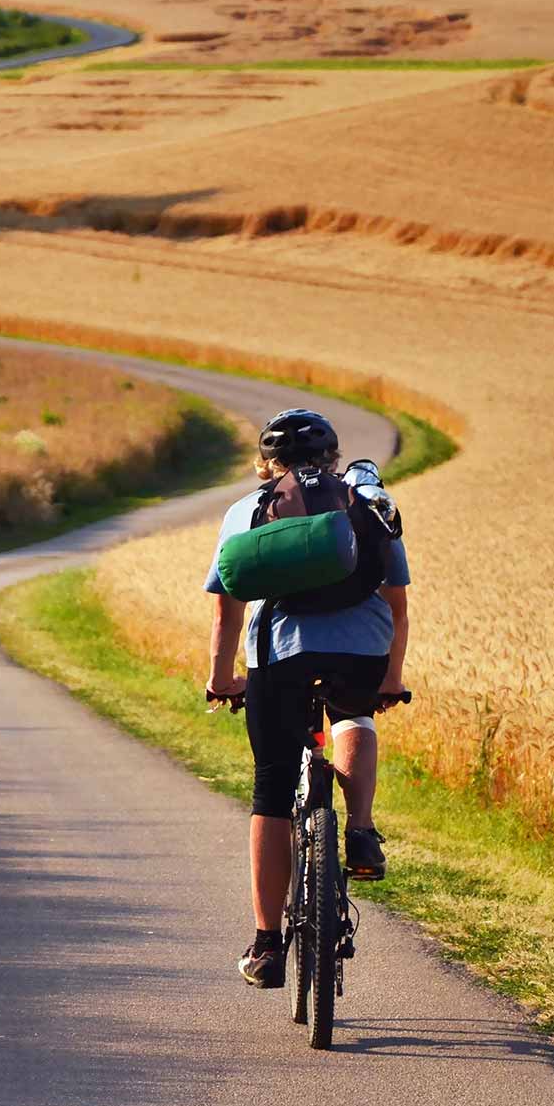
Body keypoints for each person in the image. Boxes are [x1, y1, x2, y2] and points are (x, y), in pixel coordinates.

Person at [201, 408, 410, 989]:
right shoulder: (366, 500)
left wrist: (223, 678)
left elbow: (227, 605)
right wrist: (390, 678)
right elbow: (396, 604)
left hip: (280, 653)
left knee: (272, 785)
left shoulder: (246, 510)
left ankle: (268, 946)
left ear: (267, 463)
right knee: (354, 714)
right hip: (362, 648)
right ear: (334, 457)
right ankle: (361, 830)